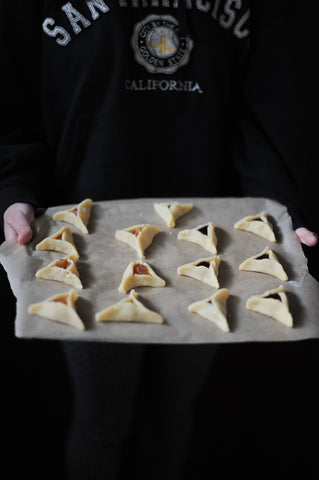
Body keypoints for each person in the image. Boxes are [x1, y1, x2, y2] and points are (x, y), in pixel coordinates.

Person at [1, 1, 317, 479]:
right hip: (85, 243)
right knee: (102, 422)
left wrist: (277, 205)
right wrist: (14, 188)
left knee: (171, 416)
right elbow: (12, 95)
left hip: (216, 237)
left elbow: (270, 101)